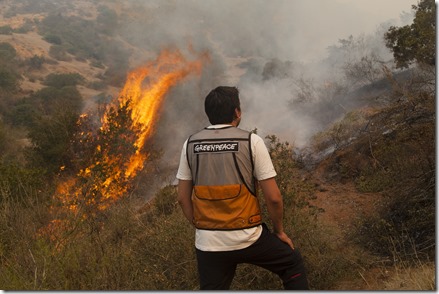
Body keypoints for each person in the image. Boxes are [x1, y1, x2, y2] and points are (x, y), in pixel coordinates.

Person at [176, 86, 309, 290]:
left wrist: (201, 226)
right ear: (237, 112)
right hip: (249, 236)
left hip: (208, 242)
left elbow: (182, 198)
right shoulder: (251, 142)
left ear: (208, 113)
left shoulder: (190, 144)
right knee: (292, 263)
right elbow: (273, 197)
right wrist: (279, 232)